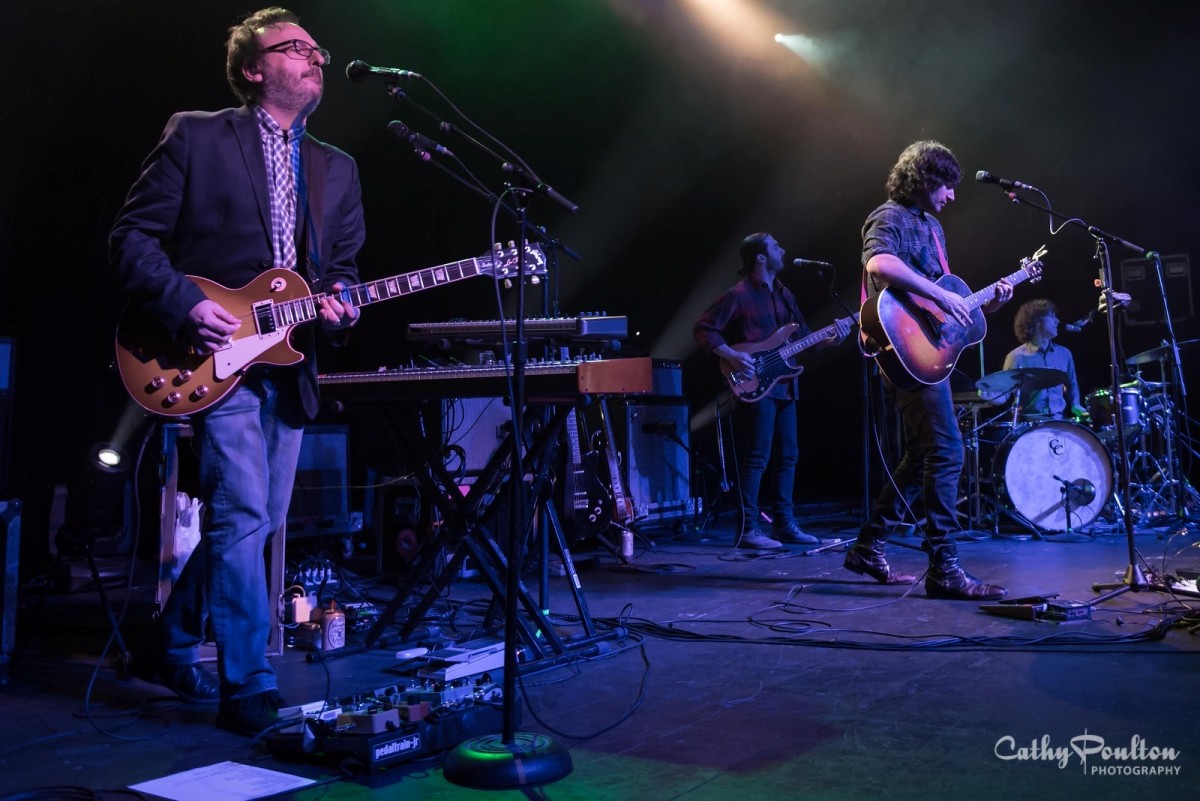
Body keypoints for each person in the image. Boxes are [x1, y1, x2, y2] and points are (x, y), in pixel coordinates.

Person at [109, 7, 365, 735]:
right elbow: (132, 238)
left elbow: (342, 272)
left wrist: (342, 307)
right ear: (254, 69)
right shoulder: (197, 134)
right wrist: (185, 303)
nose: (316, 57)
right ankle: (248, 683)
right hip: (208, 355)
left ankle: (166, 643)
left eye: (317, 48)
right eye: (295, 48)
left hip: (288, 363)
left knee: (257, 520)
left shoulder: (338, 168)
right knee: (246, 515)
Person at [849, 140, 1010, 600]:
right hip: (904, 353)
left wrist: (986, 304)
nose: (952, 195)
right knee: (948, 450)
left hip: (926, 352)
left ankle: (868, 546)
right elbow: (880, 263)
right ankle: (944, 568)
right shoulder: (889, 216)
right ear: (924, 179)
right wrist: (942, 296)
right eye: (947, 185)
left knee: (923, 453)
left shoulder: (933, 227)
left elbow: (941, 304)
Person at [694, 233, 852, 549]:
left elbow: (803, 340)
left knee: (789, 456)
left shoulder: (785, 294)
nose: (783, 249)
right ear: (760, 257)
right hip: (754, 383)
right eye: (776, 246)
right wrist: (732, 355)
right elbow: (703, 329)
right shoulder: (738, 295)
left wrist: (833, 339)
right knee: (757, 457)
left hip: (785, 385)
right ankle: (748, 530)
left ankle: (785, 526)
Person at [1002, 299, 1086, 420]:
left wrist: (1075, 404)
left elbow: (1071, 383)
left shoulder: (1065, 353)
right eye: (1052, 316)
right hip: (1029, 422)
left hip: (1059, 420)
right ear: (1037, 320)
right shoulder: (1015, 357)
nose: (1057, 321)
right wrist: (989, 394)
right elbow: (1004, 394)